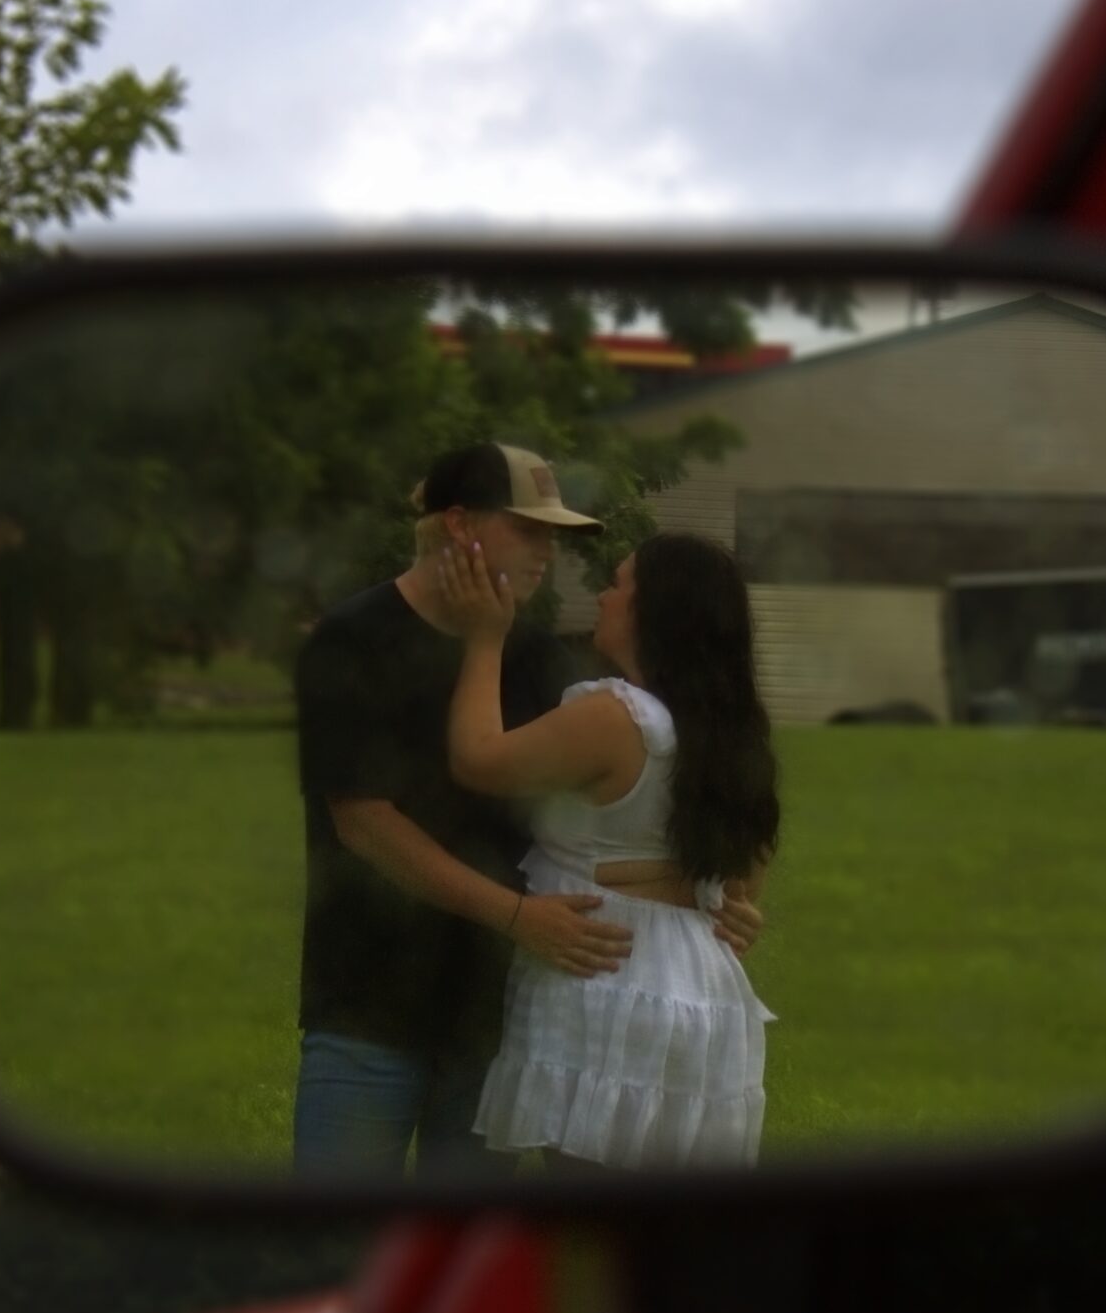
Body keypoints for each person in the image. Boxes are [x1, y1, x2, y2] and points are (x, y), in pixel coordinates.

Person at [290, 443, 762, 1177]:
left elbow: (652, 787)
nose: (549, 552)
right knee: (335, 1232)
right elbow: (364, 824)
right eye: (529, 529)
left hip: (496, 1012)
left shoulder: (541, 659)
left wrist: (716, 895)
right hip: (369, 1003)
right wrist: (516, 915)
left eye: (554, 534)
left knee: (472, 1241)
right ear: (458, 524)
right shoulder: (353, 640)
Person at [436, 531, 781, 1169]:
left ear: (654, 611)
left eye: (618, 584)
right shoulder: (729, 733)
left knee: (593, 1207)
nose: (602, 596)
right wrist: (729, 906)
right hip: (702, 991)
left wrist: (483, 640)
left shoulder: (616, 717)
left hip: (607, 973)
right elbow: (744, 879)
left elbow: (477, 761)